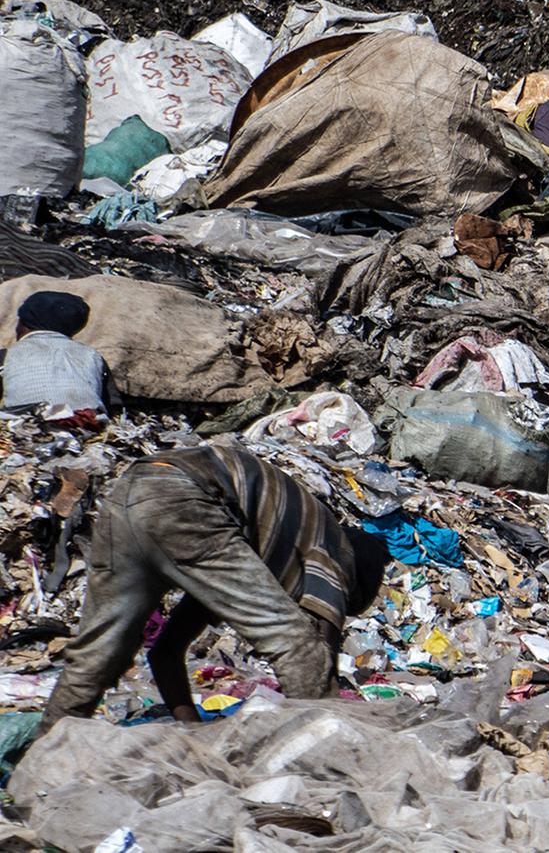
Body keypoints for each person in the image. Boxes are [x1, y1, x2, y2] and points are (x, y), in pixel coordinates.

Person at [39, 439, 388, 732]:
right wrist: (338, 730)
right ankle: (323, 769)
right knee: (297, 644)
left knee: (96, 654)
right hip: (187, 496)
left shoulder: (242, 550)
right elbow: (315, 646)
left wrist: (193, 732)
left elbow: (166, 651)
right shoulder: (335, 549)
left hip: (129, 495)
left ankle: (40, 772)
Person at [1, 290, 117, 422]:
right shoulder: (92, 355)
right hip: (85, 426)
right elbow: (113, 407)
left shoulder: (7, 356)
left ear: (22, 325)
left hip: (25, 426)